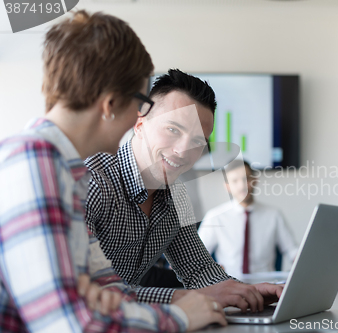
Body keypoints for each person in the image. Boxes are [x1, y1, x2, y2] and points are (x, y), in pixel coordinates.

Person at [0, 10, 229, 332]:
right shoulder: (35, 162)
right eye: (140, 103)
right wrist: (181, 314)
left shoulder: (66, 173)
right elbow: (70, 324)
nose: (139, 115)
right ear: (110, 104)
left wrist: (108, 304)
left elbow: (110, 292)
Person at [85, 69, 283, 312]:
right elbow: (83, 292)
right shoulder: (91, 183)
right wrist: (184, 298)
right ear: (139, 124)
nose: (183, 151)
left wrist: (248, 292)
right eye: (173, 130)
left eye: (198, 142)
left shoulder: (177, 195)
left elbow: (199, 270)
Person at [198, 160, 298, 276]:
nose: (242, 185)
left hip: (265, 284)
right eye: (235, 181)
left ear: (255, 181)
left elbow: (292, 250)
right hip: (229, 285)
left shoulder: (274, 215)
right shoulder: (215, 217)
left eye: (247, 179)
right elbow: (197, 257)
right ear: (227, 187)